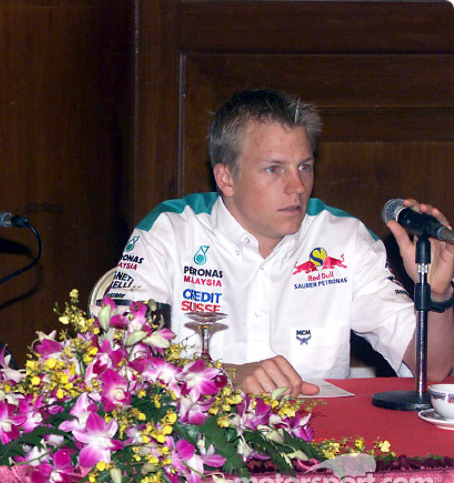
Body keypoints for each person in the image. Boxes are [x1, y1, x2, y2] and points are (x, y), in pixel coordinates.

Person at [107, 88, 454, 397]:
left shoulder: (343, 238)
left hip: (320, 449)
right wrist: (223, 377)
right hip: (196, 446)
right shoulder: (170, 231)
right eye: (274, 169)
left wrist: (438, 296)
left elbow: (431, 369)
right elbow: (117, 356)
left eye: (304, 166)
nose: (298, 186)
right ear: (226, 177)